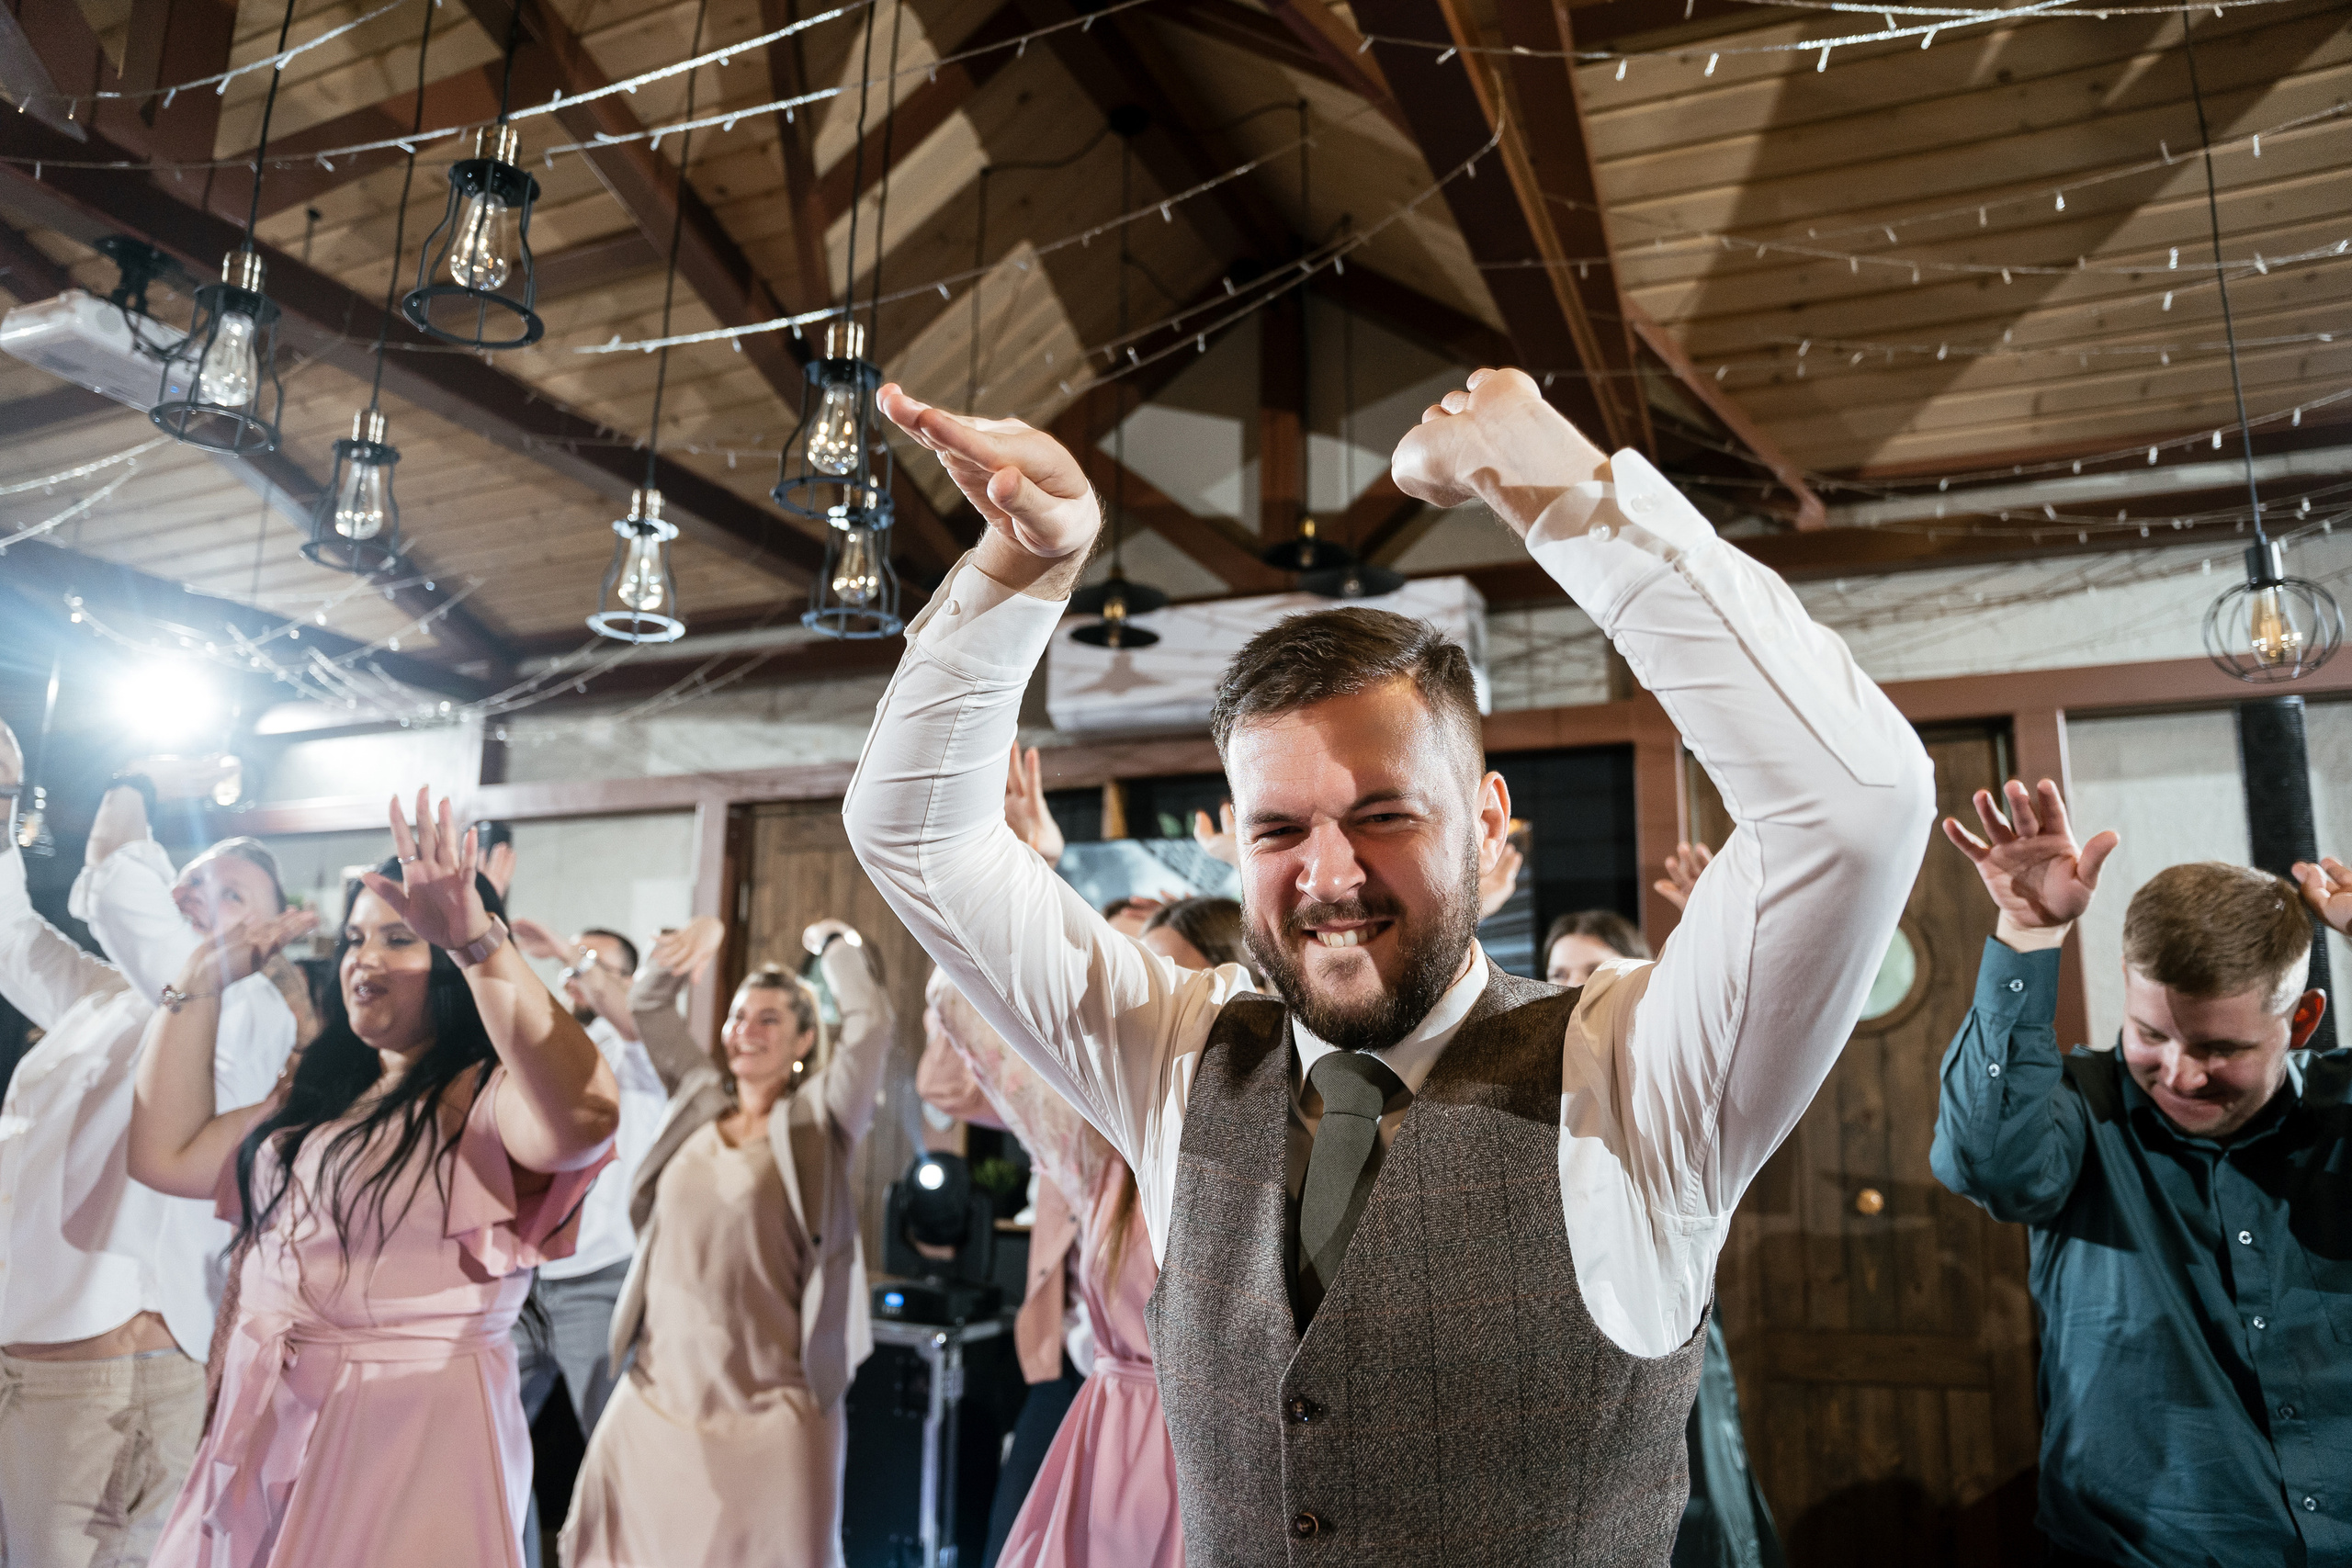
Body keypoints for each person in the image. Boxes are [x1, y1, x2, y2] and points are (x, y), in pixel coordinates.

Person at [846, 367, 1934, 1563]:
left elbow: (1853, 806)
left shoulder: (1631, 1069)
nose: (1330, 874)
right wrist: (1019, 568)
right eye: (1278, 829)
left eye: (1384, 813)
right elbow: (913, 833)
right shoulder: (1175, 1053)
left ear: (1487, 817)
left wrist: (1565, 493)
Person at [130, 791, 619, 1568]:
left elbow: (588, 1115)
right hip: (270, 1421)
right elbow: (166, 1153)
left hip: (402, 1435)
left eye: (402, 937)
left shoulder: (486, 1100)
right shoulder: (317, 1096)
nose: (365, 957)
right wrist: (199, 980)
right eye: (356, 937)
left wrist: (481, 942)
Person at [1931, 779, 2349, 1568]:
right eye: (2151, 1033)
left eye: (2221, 1050)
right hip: (2140, 1551)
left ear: (2300, 1022)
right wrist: (2025, 931)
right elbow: (1982, 1161)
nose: (2180, 1074)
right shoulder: (2084, 1109)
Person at [0, 726, 298, 1568]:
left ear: (277, 937)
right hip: (40, 1360)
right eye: (196, 879)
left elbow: (121, 893)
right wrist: (4, 796)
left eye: (236, 895)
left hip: (109, 1384)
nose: (205, 894)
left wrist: (132, 781)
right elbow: (8, 935)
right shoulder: (114, 1000)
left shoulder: (249, 1010)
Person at [561, 913, 896, 1568]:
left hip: (775, 1407)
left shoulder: (820, 1119)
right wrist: (690, 942)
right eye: (739, 1014)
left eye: (769, 1018)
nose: (747, 1029)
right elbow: (650, 1001)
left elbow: (873, 1025)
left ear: (805, 1037)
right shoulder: (698, 1093)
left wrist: (832, 945)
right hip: (658, 1391)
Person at [1542, 885, 1784, 1568]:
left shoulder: (1664, 1076)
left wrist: (1735, 943)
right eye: (1558, 971)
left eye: (1593, 971)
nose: (1571, 988)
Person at [504, 920, 668, 1565]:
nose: (578, 974)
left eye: (600, 964)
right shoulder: (554, 1046)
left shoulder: (640, 1046)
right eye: (577, 965)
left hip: (603, 1280)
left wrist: (573, 952)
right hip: (524, 1279)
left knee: (616, 1450)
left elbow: (633, 1017)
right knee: (492, 1440)